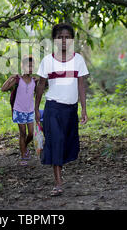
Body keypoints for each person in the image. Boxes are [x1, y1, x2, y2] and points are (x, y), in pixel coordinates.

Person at [35, 22, 89, 196]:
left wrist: (84, 109)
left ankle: (60, 175)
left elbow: (81, 86)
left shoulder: (78, 60)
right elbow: (41, 86)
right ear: (54, 40)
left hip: (70, 110)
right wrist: (36, 109)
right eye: (60, 38)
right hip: (53, 109)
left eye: (67, 37)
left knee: (67, 144)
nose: (64, 41)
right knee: (55, 142)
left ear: (72, 40)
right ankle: (58, 182)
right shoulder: (47, 61)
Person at [1, 55, 37, 166]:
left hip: (30, 110)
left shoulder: (34, 80)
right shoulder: (18, 79)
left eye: (32, 66)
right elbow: (3, 88)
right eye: (28, 66)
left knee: (31, 133)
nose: (30, 68)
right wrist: (10, 77)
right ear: (23, 66)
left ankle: (24, 147)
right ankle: (23, 156)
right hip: (19, 110)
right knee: (23, 133)